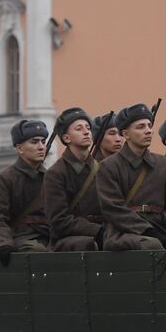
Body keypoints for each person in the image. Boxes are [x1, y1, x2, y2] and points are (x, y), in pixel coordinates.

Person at [96, 103, 166, 250]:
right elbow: (113, 209)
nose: (148, 131)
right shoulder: (108, 166)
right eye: (140, 127)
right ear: (126, 134)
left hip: (161, 225)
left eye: (149, 126)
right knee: (151, 244)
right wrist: (147, 230)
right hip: (123, 231)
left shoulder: (163, 164)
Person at [0, 119, 51, 263]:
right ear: (20, 148)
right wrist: (3, 243)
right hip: (20, 237)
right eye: (34, 142)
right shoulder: (4, 179)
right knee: (39, 253)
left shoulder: (51, 178)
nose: (41, 147)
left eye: (43, 142)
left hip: (50, 236)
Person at [45, 107, 104, 252]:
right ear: (66, 138)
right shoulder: (56, 174)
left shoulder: (103, 169)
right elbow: (59, 221)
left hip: (103, 232)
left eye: (88, 128)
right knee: (90, 246)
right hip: (69, 240)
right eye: (79, 129)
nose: (86, 132)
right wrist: (97, 230)